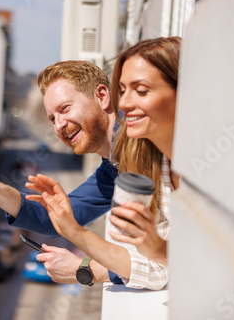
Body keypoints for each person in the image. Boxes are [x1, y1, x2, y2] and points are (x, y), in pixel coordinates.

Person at [0, 60, 119, 282]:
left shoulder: (144, 149)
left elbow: (160, 261)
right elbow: (54, 220)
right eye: (52, 118)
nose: (59, 125)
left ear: (102, 96)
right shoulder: (111, 170)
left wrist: (86, 270)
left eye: (65, 109)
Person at [26, 37, 181, 289]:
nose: (126, 103)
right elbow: (162, 264)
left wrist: (80, 252)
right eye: (123, 90)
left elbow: (163, 268)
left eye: (141, 90)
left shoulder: (196, 167)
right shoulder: (149, 163)